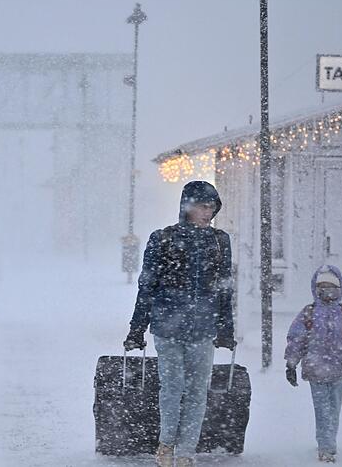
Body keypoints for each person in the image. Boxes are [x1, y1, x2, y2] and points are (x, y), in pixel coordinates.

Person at [124, 180, 236, 467]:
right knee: (172, 387)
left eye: (211, 207)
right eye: (201, 206)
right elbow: (147, 286)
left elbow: (225, 288)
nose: (207, 213)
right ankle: (166, 444)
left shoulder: (220, 241)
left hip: (203, 328)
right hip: (167, 328)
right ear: (186, 207)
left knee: (198, 390)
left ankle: (186, 450)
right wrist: (137, 328)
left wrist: (226, 327)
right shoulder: (163, 239)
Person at [284, 265, 342, 463]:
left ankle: (329, 441)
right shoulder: (309, 313)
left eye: (332, 287)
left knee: (334, 409)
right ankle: (326, 447)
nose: (327, 291)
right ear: (316, 288)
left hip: (339, 370)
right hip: (316, 371)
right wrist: (291, 364)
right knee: (322, 409)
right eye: (323, 287)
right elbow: (297, 339)